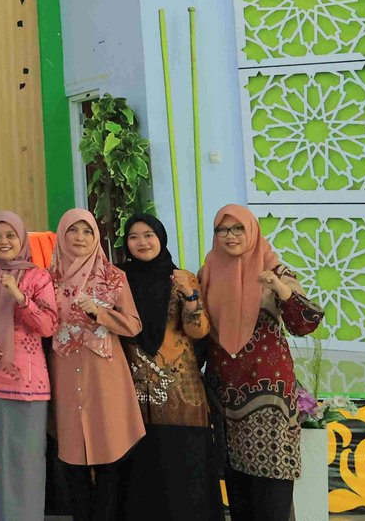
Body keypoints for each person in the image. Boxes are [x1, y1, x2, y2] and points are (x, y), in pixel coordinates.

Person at [201, 204, 324, 521]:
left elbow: (304, 324)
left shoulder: (276, 271)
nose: (230, 236)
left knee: (272, 488)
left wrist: (281, 290)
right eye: (222, 230)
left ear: (252, 230)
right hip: (222, 395)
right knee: (238, 489)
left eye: (237, 228)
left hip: (268, 398)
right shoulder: (208, 271)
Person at [117, 213, 217, 519]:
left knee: (182, 476)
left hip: (180, 394)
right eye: (133, 236)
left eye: (148, 235)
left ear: (160, 238)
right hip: (133, 393)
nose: (142, 242)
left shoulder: (182, 278)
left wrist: (189, 297)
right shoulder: (118, 280)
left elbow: (199, 331)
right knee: (140, 476)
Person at [49, 208, 144, 521]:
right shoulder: (48, 278)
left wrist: (99, 313)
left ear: (96, 237)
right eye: (73, 230)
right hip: (64, 376)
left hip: (105, 378)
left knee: (109, 457)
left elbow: (133, 325)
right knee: (72, 458)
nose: (80, 237)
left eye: (87, 231)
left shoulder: (113, 277)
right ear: (62, 235)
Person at [0, 211, 59, 521]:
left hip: (28, 385)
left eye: (10, 236)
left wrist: (20, 297)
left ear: (22, 238)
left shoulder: (38, 277)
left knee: (26, 461)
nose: (3, 242)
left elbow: (48, 326)